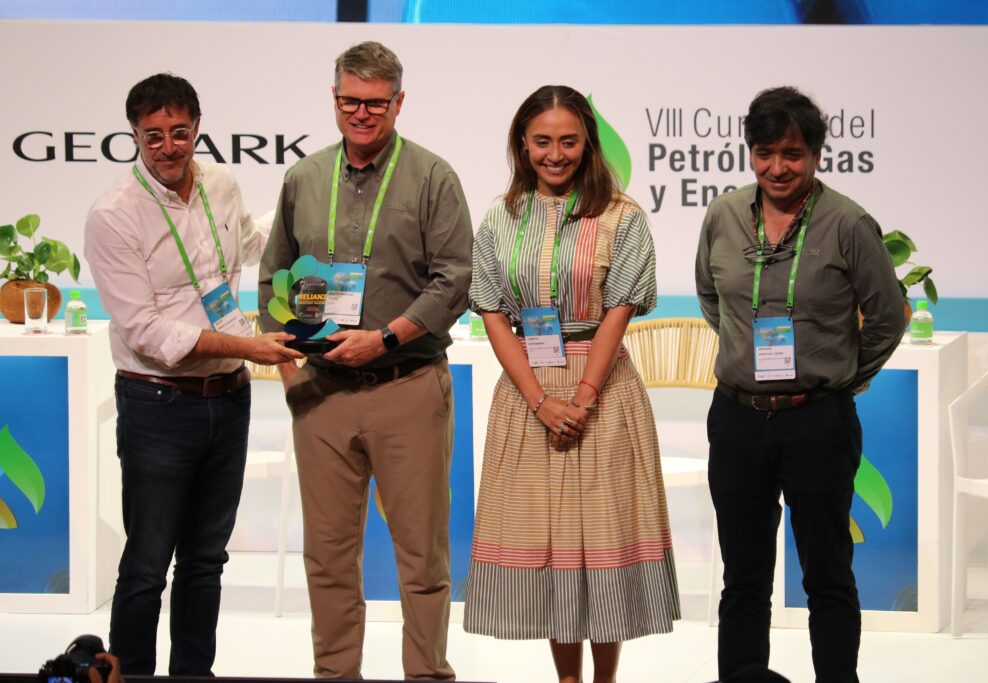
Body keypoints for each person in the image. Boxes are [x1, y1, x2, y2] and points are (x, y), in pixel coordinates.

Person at [257, 41, 472, 680]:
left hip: (406, 384)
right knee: (327, 557)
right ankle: (335, 675)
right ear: (334, 99)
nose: (362, 113)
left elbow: (454, 279)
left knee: (422, 558)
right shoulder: (304, 178)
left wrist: (385, 339)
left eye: (376, 103)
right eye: (350, 100)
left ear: (399, 103)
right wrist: (291, 372)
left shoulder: (432, 177)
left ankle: (426, 674)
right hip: (320, 392)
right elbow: (273, 279)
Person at [84, 74, 302, 675]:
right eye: (153, 136)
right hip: (157, 403)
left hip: (228, 400)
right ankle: (130, 675)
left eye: (179, 133)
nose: (168, 147)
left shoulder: (220, 183)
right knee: (147, 564)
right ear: (134, 136)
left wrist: (299, 209)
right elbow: (146, 331)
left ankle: (193, 675)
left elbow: (250, 245)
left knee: (206, 561)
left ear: (198, 129)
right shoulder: (113, 215)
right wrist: (247, 345)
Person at [463, 85, 680, 683]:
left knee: (602, 539)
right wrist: (540, 400)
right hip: (527, 391)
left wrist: (582, 398)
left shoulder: (622, 216)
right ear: (521, 143)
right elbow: (492, 312)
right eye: (542, 141)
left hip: (603, 391)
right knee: (553, 546)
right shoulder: (500, 218)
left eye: (568, 141)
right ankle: (567, 680)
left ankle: (604, 681)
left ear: (588, 144)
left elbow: (620, 310)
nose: (555, 154)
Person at [695, 86, 906, 683]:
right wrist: (746, 353)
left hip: (817, 420)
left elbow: (887, 317)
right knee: (743, 578)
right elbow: (712, 299)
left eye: (792, 153)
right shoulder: (723, 215)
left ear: (815, 154)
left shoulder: (847, 223)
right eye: (764, 153)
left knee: (827, 574)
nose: (777, 167)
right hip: (737, 417)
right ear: (749, 153)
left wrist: (840, 379)